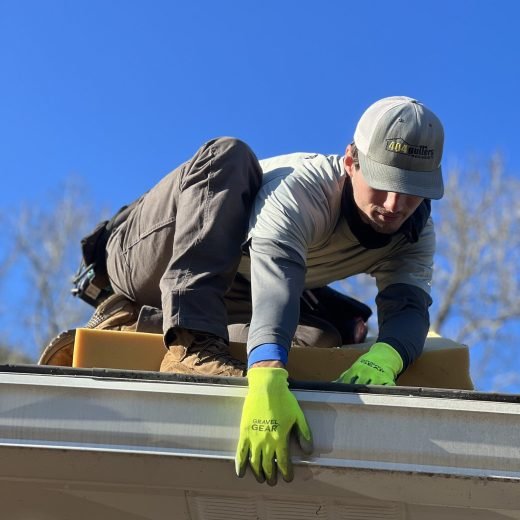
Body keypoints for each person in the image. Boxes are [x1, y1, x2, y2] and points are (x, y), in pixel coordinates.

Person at [41, 95, 444, 486]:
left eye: (411, 188)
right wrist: (267, 375)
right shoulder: (305, 190)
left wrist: (387, 357)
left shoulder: (414, 232)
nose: (395, 203)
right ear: (352, 161)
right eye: (384, 182)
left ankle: (141, 326)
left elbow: (408, 307)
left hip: (231, 290)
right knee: (229, 155)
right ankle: (192, 346)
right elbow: (278, 282)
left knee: (322, 338)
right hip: (147, 255)